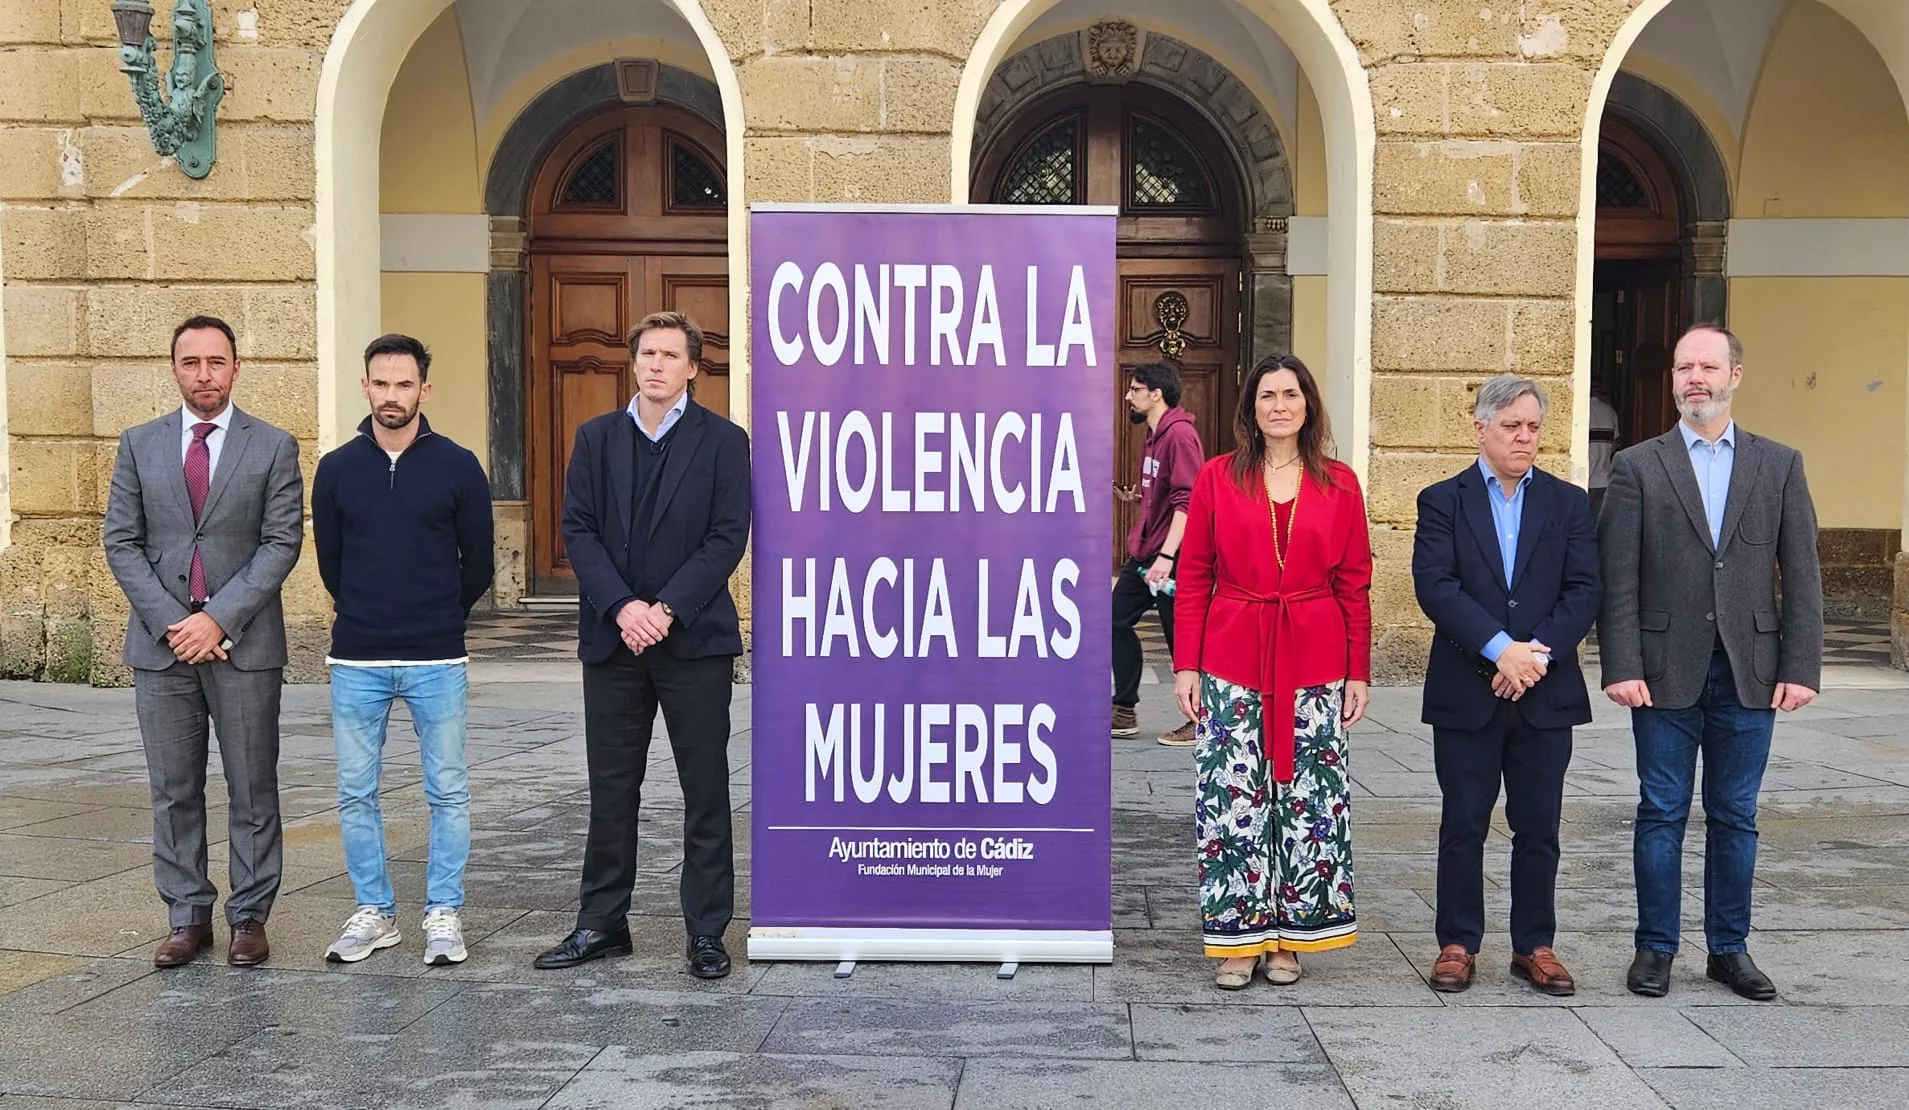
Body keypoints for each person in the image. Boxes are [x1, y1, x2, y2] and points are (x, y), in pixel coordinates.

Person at [1600, 323, 1822, 1002]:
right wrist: (1620, 663)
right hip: (1663, 668)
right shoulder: (1637, 465)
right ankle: (1654, 950)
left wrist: (1800, 666)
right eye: (1682, 367)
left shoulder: (1777, 464)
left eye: (1706, 366)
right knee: (1660, 810)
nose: (1694, 378)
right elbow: (1618, 577)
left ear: (1735, 377)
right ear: (1671, 379)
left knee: (1735, 814)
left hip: (1750, 670)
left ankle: (1729, 949)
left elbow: (1801, 573)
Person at [535, 311, 751, 979]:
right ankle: (602, 923)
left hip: (693, 644)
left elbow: (726, 536)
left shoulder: (723, 441)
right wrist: (625, 607)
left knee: (706, 789)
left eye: (669, 355)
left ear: (692, 368)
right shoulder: (595, 438)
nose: (655, 365)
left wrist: (664, 609)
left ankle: (707, 933)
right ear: (633, 364)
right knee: (611, 788)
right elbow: (578, 529)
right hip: (614, 639)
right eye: (646, 354)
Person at [102, 315, 303, 968]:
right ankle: (187, 917)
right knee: (174, 788)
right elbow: (121, 542)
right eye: (192, 363)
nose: (204, 375)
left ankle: (249, 917)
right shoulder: (139, 444)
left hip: (242, 645)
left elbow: (281, 543)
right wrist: (174, 622)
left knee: (252, 787)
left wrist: (217, 619)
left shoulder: (272, 446)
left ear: (236, 368)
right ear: (174, 368)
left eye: (216, 362)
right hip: (162, 648)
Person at [1173, 354, 1372, 990]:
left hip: (1315, 658)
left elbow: (1354, 584)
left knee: (1307, 799)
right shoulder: (1216, 477)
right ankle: (1238, 939)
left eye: (1291, 394)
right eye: (1268, 395)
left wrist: (1358, 669)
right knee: (1233, 801)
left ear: (1308, 405)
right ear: (1251, 409)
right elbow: (1195, 576)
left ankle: (1289, 938)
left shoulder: (1339, 482)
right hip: (1232, 653)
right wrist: (1186, 664)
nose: (1280, 405)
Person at [1411, 375, 1601, 995]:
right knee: (1463, 822)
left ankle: (1534, 945)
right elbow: (1436, 586)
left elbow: (1585, 590)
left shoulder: (1569, 503)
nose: (1525, 437)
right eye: (1512, 426)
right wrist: (1501, 650)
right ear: (1480, 428)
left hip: (1544, 691)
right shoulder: (1443, 500)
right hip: (1469, 691)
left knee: (1539, 826)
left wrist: (1532, 657)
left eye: (1534, 427)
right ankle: (1458, 942)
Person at [312, 334, 494, 967]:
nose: (392, 396)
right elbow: (331, 563)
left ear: (425, 389)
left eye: (404, 384)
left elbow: (480, 561)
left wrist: (440, 614)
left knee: (447, 789)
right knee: (356, 791)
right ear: (365, 386)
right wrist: (366, 609)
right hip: (357, 656)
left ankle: (443, 911)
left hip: (436, 657)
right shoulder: (336, 468)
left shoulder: (459, 465)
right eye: (380, 383)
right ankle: (375, 911)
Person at [1112, 361, 1204, 746]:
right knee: (1113, 619)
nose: (1129, 396)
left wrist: (1168, 557)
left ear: (1155, 394)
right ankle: (1124, 708)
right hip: (1148, 550)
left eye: (1135, 390)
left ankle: (1200, 719)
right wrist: (1140, 499)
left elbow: (1188, 501)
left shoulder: (1179, 436)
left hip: (1171, 556)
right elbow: (1167, 496)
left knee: (1181, 638)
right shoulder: (1154, 436)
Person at [1588, 390, 1620, 521]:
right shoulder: (1609, 411)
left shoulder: (1581, 409)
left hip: (1584, 480)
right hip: (1604, 480)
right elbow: (1615, 445)